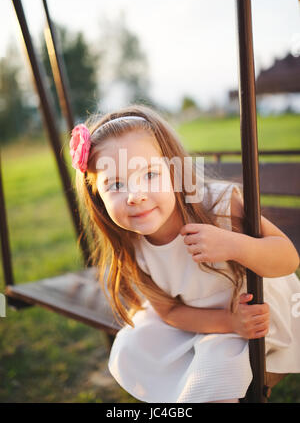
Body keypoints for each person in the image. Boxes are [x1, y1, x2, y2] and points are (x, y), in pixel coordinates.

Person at [70, 104, 300, 403]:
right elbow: (169, 312)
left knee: (214, 371)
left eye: (149, 174)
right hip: (210, 320)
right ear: (97, 196)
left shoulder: (218, 208)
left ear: (174, 171)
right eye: (115, 184)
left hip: (258, 313)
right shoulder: (132, 245)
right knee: (130, 343)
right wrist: (229, 322)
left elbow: (288, 258)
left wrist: (233, 244)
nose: (135, 195)